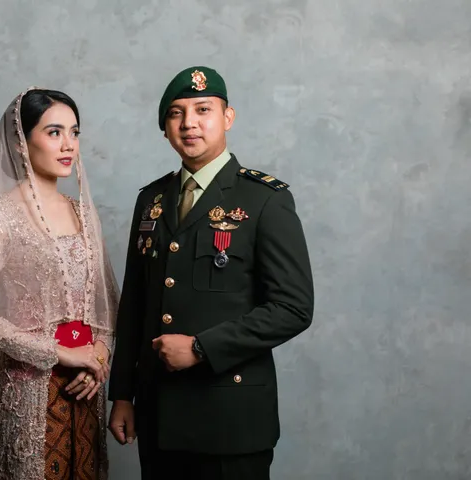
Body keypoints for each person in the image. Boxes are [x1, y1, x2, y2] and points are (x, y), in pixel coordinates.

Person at [108, 66, 314, 480]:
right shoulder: (151, 200)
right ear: (165, 129)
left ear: (228, 117)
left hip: (229, 419)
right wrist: (123, 394)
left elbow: (293, 308)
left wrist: (202, 348)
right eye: (176, 113)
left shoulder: (263, 200)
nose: (189, 123)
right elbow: (135, 304)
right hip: (158, 415)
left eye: (203, 109)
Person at [0, 88, 119, 480]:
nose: (68, 144)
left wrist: (98, 358)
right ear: (22, 141)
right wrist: (59, 353)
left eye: (74, 132)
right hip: (28, 390)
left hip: (87, 388)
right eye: (54, 132)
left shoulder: (84, 213)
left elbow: (107, 306)